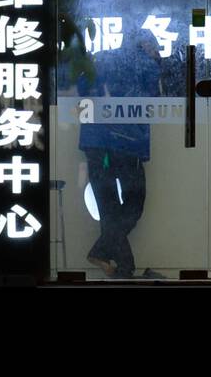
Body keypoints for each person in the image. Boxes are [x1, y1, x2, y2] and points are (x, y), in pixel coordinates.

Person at [77, 27, 162, 278]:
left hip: (95, 142)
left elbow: (83, 87)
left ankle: (123, 269)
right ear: (146, 45)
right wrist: (157, 63)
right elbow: (154, 99)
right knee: (134, 204)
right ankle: (104, 254)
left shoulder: (102, 57)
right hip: (126, 143)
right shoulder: (146, 64)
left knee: (109, 207)